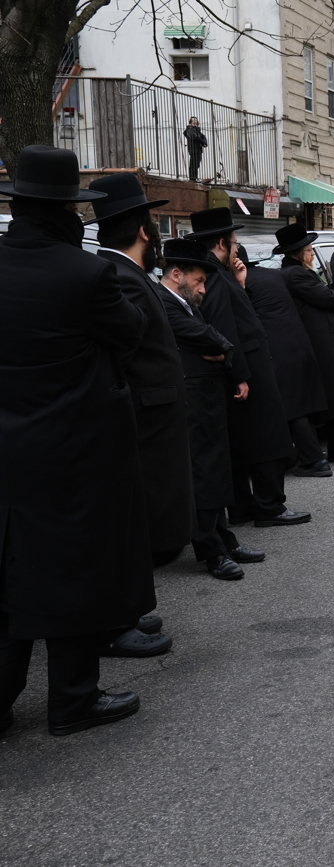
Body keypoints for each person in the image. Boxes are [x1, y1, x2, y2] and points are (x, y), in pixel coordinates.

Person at [0, 146, 152, 736]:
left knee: (9, 577)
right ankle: (72, 698)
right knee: (73, 573)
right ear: (67, 208)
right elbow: (131, 332)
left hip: (7, 451)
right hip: (72, 450)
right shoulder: (86, 273)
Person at [85, 173, 186, 658]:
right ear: (145, 230)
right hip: (138, 422)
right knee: (131, 526)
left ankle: (128, 606)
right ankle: (117, 614)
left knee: (139, 526)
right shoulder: (115, 275)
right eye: (153, 220)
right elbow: (117, 356)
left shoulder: (126, 273)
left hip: (151, 418)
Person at [186, 208, 310, 529]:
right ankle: (269, 506)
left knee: (245, 440)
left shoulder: (219, 273)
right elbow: (224, 328)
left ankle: (244, 509)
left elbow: (237, 314)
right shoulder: (212, 275)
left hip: (245, 366)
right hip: (246, 368)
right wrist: (239, 372)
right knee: (267, 438)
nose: (238, 248)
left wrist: (241, 284)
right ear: (222, 243)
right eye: (235, 241)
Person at [157, 239, 263, 580]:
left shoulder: (185, 301)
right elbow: (205, 335)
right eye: (199, 281)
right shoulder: (163, 303)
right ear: (177, 274)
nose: (203, 289)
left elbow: (211, 335)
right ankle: (211, 550)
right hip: (190, 401)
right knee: (202, 473)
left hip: (206, 398)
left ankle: (224, 538)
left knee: (215, 469)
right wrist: (224, 347)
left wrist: (223, 350)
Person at [238, 240, 331, 476]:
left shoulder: (241, 282)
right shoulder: (272, 275)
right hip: (298, 342)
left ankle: (314, 461)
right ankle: (305, 457)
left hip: (275, 348)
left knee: (293, 407)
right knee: (301, 403)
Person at [277, 223, 334, 467]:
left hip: (326, 339)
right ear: (299, 251)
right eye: (309, 249)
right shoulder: (295, 274)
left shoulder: (297, 272)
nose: (312, 253)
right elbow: (328, 298)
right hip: (324, 342)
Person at [184, 117, 207, 182]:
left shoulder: (198, 131)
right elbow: (194, 136)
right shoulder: (189, 130)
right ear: (190, 123)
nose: (195, 125)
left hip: (198, 150)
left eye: (196, 124)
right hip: (193, 149)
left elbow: (203, 137)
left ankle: (194, 178)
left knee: (197, 164)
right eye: (194, 124)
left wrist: (205, 142)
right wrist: (203, 142)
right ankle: (192, 178)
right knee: (193, 164)